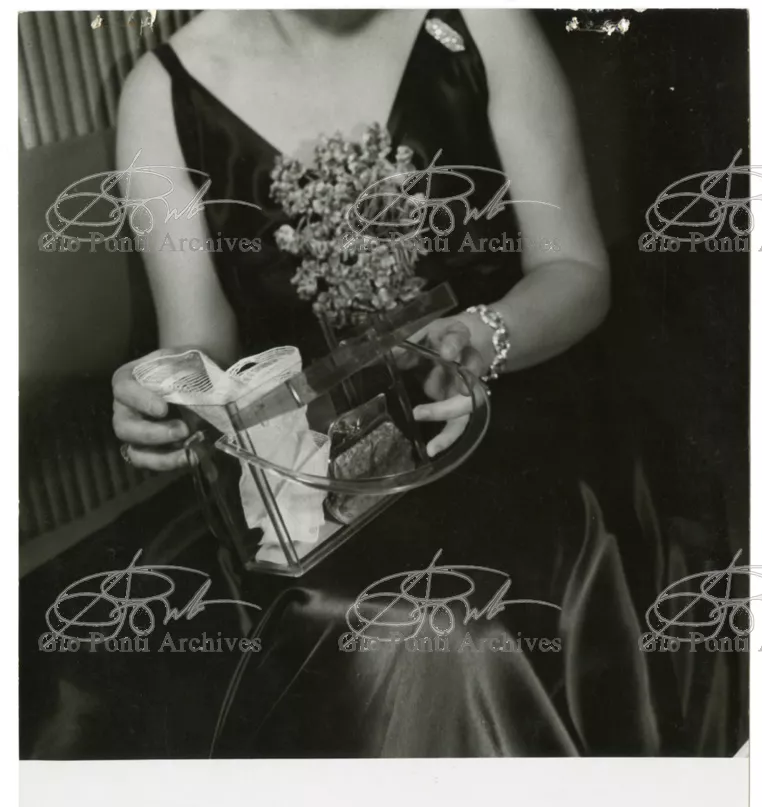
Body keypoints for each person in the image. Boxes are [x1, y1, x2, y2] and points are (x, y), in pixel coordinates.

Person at [105, 9, 744, 758]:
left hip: (519, 417)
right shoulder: (162, 92)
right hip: (320, 468)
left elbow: (575, 270)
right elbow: (198, 347)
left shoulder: (483, 24)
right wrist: (162, 394)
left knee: (460, 624)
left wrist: (481, 338)